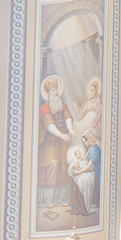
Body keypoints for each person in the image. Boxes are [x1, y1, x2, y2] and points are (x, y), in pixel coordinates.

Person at [37, 77, 74, 209]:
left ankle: (62, 198)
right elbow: (49, 125)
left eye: (56, 89)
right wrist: (60, 135)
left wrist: (70, 129)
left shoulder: (62, 104)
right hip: (49, 142)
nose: (56, 92)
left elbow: (68, 117)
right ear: (48, 93)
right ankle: (49, 199)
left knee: (63, 167)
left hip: (62, 140)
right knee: (53, 166)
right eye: (53, 90)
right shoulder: (44, 107)